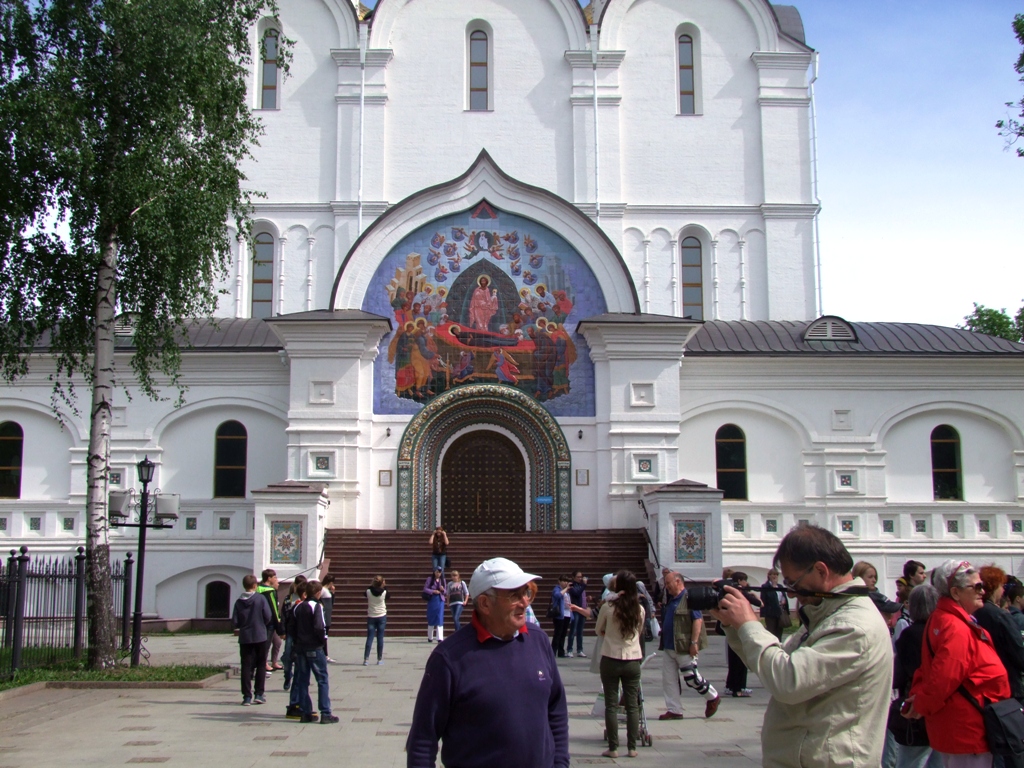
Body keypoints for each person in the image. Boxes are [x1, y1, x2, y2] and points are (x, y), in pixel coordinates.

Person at [712, 523, 893, 767]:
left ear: (821, 570)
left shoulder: (854, 627)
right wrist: (735, 626)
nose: (793, 594)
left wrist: (749, 624)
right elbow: (773, 663)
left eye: (793, 584)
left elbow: (787, 681)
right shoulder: (827, 613)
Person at [406, 557, 569, 768]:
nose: (524, 603)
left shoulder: (538, 641)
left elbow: (556, 709)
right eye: (514, 596)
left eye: (526, 593)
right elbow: (422, 739)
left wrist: (560, 763)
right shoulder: (450, 658)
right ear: (485, 603)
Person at [904, 560, 1011, 768]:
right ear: (955, 592)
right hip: (966, 730)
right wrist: (920, 705)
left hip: (964, 727)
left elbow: (929, 670)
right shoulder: (955, 626)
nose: (983, 592)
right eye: (977, 587)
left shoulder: (947, 620)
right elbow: (944, 678)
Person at [596, 570, 645, 759]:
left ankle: (613, 747)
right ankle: (632, 747)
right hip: (632, 659)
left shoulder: (608, 607)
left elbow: (598, 628)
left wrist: (610, 636)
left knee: (611, 704)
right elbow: (639, 632)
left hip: (610, 657)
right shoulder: (639, 609)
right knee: (632, 705)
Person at [658, 571, 720, 720]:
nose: (666, 587)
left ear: (678, 581)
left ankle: (713, 697)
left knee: (691, 677)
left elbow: (697, 621)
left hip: (684, 646)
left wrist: (694, 643)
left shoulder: (690, 599)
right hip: (669, 646)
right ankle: (674, 709)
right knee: (669, 680)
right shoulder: (671, 600)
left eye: (668, 583)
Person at [893, 584, 943, 768]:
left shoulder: (908, 635)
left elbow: (897, 676)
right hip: (939, 708)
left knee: (909, 763)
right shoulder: (942, 633)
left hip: (914, 710)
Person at [973, 565, 1024, 704]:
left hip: (982, 683)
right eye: (1001, 586)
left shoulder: (973, 611)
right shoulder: (999, 615)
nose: (1003, 590)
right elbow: (1019, 652)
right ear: (995, 587)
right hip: (1008, 682)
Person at [291, 579, 339, 724]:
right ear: (318, 593)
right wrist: (321, 643)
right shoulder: (317, 606)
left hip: (300, 648)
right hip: (314, 648)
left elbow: (291, 628)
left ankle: (306, 713)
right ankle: (325, 713)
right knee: (322, 680)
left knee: (303, 681)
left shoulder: (297, 607)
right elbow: (320, 627)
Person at [232, 574, 271, 706]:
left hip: (245, 637)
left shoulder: (238, 601)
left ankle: (246, 696)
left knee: (246, 666)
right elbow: (268, 616)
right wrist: (261, 624)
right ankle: (259, 694)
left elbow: (235, 622)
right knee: (261, 664)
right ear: (255, 585)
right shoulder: (260, 599)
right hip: (260, 635)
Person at [724, 571, 761, 697]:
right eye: (744, 580)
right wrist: (754, 595)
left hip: (730, 626)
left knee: (733, 658)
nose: (746, 583)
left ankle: (731, 685)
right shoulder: (742, 594)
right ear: (739, 581)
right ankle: (740, 687)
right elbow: (760, 603)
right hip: (740, 627)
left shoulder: (728, 593)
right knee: (741, 659)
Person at [280, 574, 307, 692]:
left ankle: (299, 680)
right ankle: (287, 675)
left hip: (301, 633)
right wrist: (283, 631)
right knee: (287, 655)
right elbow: (284, 616)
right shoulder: (289, 599)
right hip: (290, 631)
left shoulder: (306, 599)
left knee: (299, 657)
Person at [257, 569, 284, 673]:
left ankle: (273, 662)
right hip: (270, 623)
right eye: (275, 577)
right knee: (266, 644)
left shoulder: (258, 589)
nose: (276, 579)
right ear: (269, 578)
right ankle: (263, 664)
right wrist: (279, 625)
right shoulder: (270, 591)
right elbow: (274, 608)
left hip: (260, 620)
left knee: (276, 642)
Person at [364, 575, 388, 666]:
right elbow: (389, 595)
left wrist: (372, 585)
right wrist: (384, 586)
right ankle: (379, 659)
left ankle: (366, 659)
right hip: (381, 615)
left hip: (371, 615)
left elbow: (365, 592)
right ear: (382, 583)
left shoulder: (368, 591)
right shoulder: (384, 592)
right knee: (380, 638)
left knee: (369, 638)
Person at [760, 568, 788, 641]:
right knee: (771, 631)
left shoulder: (780, 586)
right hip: (770, 612)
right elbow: (765, 598)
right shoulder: (765, 586)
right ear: (769, 575)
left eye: (776, 574)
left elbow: (783, 596)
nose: (775, 576)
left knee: (779, 631)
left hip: (780, 611)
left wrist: (784, 601)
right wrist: (773, 586)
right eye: (773, 574)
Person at [567, 571, 589, 658]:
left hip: (582, 609)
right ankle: (569, 649)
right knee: (573, 630)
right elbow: (576, 593)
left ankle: (580, 649)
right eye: (578, 577)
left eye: (581, 577)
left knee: (580, 631)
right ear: (573, 577)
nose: (580, 578)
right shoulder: (572, 585)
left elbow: (581, 595)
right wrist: (584, 585)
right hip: (575, 610)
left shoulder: (581, 585)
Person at [423, 567, 446, 642]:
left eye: (439, 572)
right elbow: (425, 589)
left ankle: (440, 637)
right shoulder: (430, 579)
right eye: (437, 572)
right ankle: (430, 637)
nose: (438, 574)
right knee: (431, 617)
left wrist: (443, 590)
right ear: (434, 572)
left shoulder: (443, 580)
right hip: (432, 600)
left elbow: (445, 591)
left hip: (440, 600)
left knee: (439, 617)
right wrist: (433, 591)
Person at [551, 574, 571, 657]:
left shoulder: (567, 591)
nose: (565, 583)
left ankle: (561, 651)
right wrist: (566, 589)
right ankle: (553, 651)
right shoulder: (557, 589)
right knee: (558, 633)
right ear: (559, 581)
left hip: (567, 614)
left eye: (566, 581)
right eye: (563, 581)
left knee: (563, 634)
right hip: (559, 614)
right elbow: (557, 595)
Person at [319, 574, 336, 663]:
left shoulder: (326, 590)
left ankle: (324, 655)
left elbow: (331, 604)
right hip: (325, 616)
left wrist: (333, 593)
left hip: (327, 616)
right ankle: (324, 655)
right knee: (324, 636)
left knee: (325, 636)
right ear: (330, 583)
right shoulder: (322, 590)